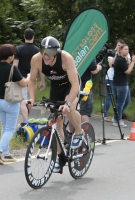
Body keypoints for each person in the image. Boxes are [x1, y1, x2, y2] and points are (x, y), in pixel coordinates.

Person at [28, 36, 83, 173]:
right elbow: (32, 80)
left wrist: (68, 103)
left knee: (68, 110)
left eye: (50, 53)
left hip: (71, 85)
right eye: (43, 52)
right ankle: (60, 156)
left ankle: (79, 132)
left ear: (56, 53)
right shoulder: (36, 59)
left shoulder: (66, 58)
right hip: (56, 87)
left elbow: (75, 84)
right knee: (56, 122)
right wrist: (32, 98)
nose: (46, 56)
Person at [0, 44, 30, 165]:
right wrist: (28, 77)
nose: (13, 57)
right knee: (10, 129)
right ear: (10, 56)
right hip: (10, 102)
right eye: (13, 54)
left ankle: (6, 155)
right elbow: (23, 84)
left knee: (4, 128)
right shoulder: (12, 69)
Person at [12, 28, 44, 123]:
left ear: (24, 36)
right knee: (29, 101)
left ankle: (25, 122)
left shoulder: (18, 49)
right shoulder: (38, 51)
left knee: (22, 100)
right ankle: (25, 121)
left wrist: (14, 78)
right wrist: (43, 81)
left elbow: (15, 66)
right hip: (32, 78)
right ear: (33, 37)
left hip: (21, 77)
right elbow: (41, 68)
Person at [112, 44, 135, 127]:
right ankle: (117, 120)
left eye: (128, 49)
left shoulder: (124, 59)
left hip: (124, 83)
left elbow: (128, 66)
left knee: (127, 101)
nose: (127, 51)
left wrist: (130, 61)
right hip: (120, 84)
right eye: (125, 49)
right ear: (120, 50)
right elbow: (128, 71)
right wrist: (134, 61)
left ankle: (116, 116)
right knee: (120, 103)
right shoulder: (119, 60)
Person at [104, 39, 129, 122]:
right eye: (118, 45)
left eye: (121, 46)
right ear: (116, 46)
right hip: (111, 77)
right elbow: (111, 65)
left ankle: (117, 114)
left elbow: (128, 64)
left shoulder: (126, 54)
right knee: (110, 96)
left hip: (121, 79)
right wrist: (116, 55)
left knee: (125, 100)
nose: (119, 47)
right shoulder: (112, 53)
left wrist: (125, 56)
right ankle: (105, 114)